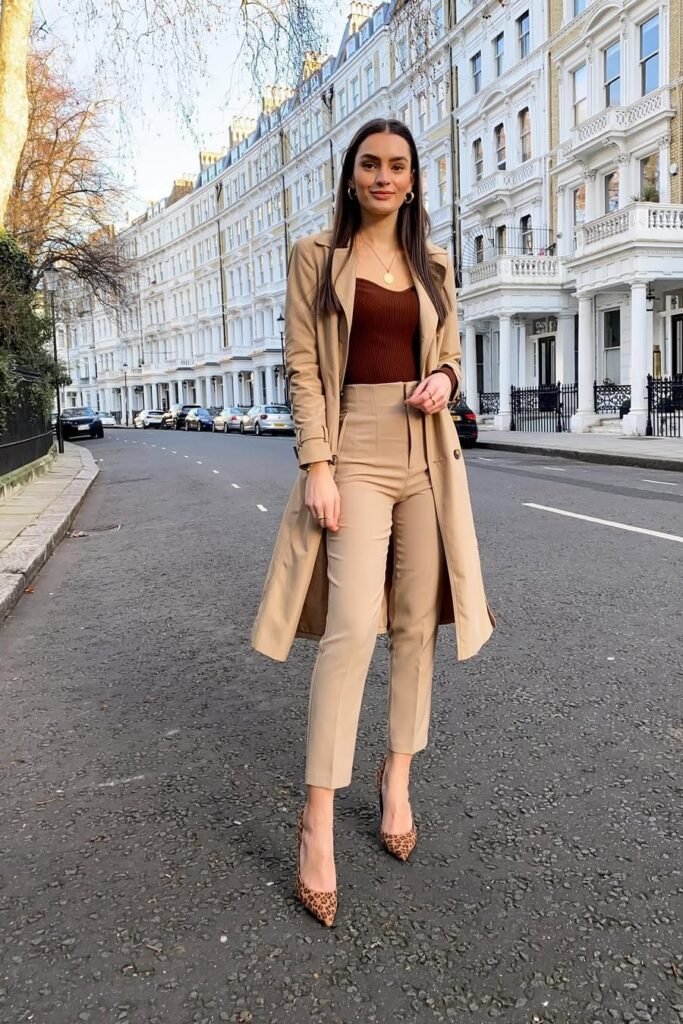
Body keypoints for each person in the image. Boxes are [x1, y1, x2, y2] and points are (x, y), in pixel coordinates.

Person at [252, 118, 494, 927]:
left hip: (425, 450)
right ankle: (317, 819)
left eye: (397, 165)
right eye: (369, 164)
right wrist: (316, 465)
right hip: (352, 446)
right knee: (353, 628)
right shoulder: (315, 258)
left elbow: (452, 346)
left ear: (414, 178)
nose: (383, 176)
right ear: (351, 174)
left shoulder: (433, 262)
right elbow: (302, 368)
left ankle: (396, 779)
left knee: (417, 626)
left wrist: (447, 376)